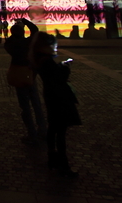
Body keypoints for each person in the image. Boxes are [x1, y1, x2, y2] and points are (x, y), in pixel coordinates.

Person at [34, 33, 80, 178]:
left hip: (50, 95)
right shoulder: (46, 60)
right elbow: (58, 78)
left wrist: (59, 65)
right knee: (60, 131)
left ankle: (52, 158)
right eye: (53, 45)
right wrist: (65, 68)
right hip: (58, 97)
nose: (55, 47)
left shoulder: (40, 58)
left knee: (53, 128)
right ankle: (63, 165)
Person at [5, 18, 47, 145]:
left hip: (18, 75)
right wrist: (24, 21)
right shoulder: (27, 43)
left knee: (25, 107)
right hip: (30, 75)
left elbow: (9, 43)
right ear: (22, 32)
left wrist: (16, 28)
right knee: (36, 104)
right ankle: (42, 129)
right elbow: (35, 30)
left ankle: (32, 133)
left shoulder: (10, 43)